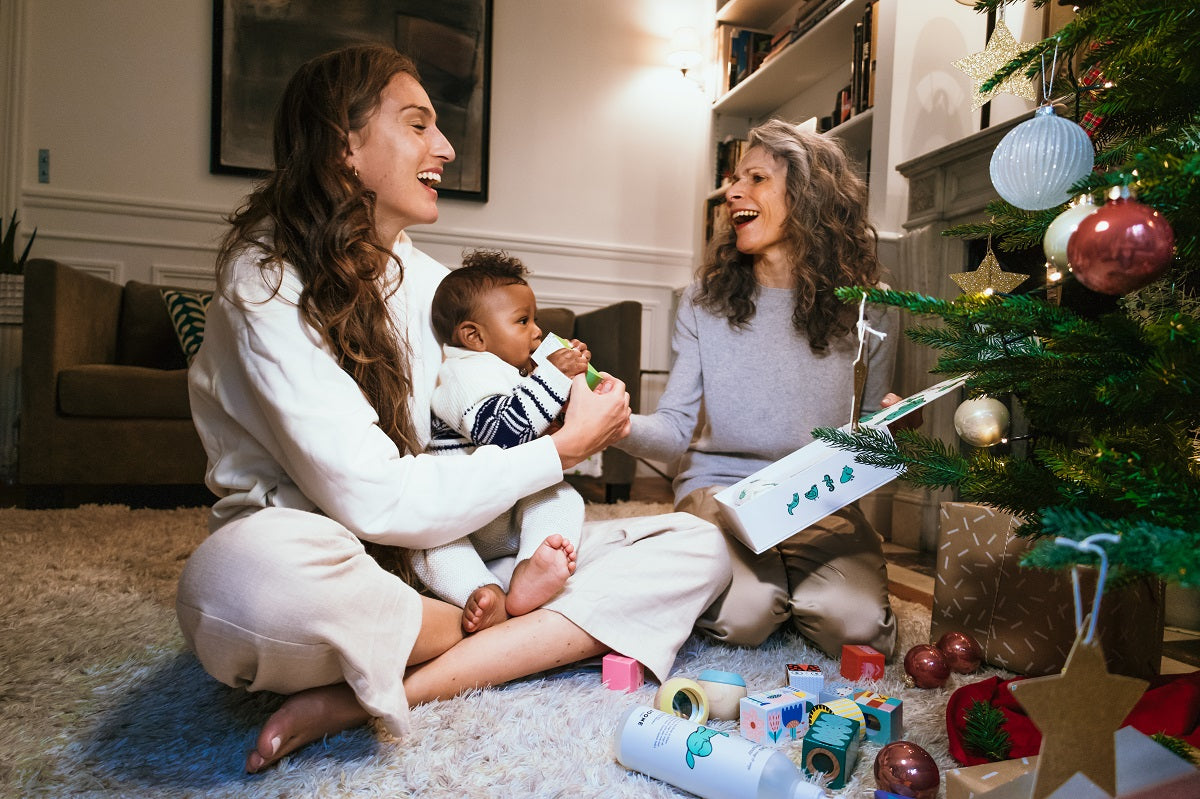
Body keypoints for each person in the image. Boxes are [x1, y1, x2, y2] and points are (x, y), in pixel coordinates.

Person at [175, 44, 731, 774]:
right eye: (417, 124)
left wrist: (587, 393)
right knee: (233, 586)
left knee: (698, 547)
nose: (445, 146)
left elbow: (534, 368)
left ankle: (390, 681)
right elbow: (372, 498)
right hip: (342, 556)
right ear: (345, 146)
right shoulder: (266, 282)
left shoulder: (426, 278)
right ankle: (492, 621)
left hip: (463, 546)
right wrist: (560, 449)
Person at [616, 118, 902, 660]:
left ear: (809, 194)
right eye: (733, 179)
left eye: (755, 178)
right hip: (722, 490)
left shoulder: (870, 303)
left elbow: (866, 426)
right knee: (745, 616)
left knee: (858, 628)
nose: (732, 192)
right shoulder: (705, 297)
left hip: (819, 497)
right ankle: (761, 580)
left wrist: (893, 428)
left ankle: (796, 584)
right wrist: (617, 425)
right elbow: (676, 429)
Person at [417, 249, 591, 634]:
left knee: (561, 497)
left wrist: (572, 391)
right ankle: (480, 591)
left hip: (507, 507)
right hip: (461, 516)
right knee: (426, 546)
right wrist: (552, 379)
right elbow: (498, 430)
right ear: (474, 337)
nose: (537, 331)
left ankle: (532, 566)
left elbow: (535, 431)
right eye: (522, 321)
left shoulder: (511, 371)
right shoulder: (462, 373)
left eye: (535, 319)